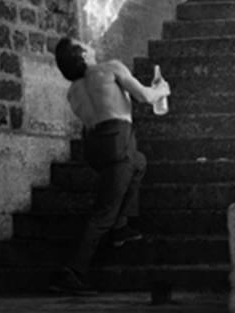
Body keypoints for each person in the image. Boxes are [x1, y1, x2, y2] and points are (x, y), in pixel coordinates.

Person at [49, 38, 171, 296]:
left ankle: (121, 225)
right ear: (82, 53)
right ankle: (71, 272)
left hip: (94, 146)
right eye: (84, 43)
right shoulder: (109, 68)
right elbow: (145, 97)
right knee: (103, 212)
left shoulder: (73, 91)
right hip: (118, 138)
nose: (89, 44)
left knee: (138, 163)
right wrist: (162, 90)